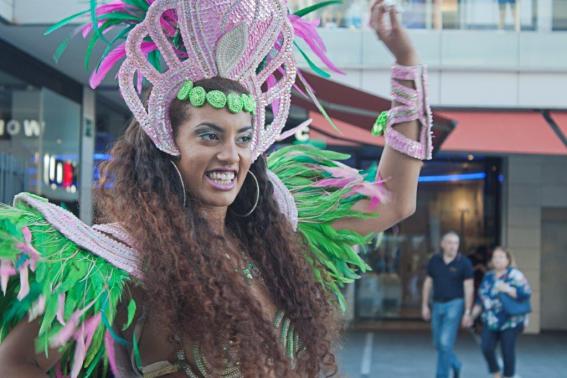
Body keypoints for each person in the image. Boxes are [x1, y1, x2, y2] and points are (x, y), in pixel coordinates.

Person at [0, 0, 433, 376]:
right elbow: (15, 363)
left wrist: (406, 61)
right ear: (169, 143)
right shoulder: (124, 261)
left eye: (243, 138)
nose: (231, 154)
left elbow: (393, 200)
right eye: (210, 135)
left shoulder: (275, 241)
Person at [472, 246, 531, 378]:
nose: (497, 260)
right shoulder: (488, 277)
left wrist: (508, 289)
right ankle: (496, 372)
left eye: (501, 257)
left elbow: (525, 294)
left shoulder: (515, 275)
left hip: (511, 320)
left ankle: (509, 375)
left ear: (508, 260)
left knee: (507, 351)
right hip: (491, 320)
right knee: (486, 347)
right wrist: (471, 315)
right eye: (495, 257)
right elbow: (480, 299)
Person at [422, 231, 474, 378]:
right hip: (437, 304)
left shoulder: (464, 263)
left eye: (456, 243)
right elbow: (428, 283)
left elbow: (469, 288)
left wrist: (468, 311)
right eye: (450, 242)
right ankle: (456, 364)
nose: (453, 246)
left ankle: (441, 375)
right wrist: (424, 305)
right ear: (442, 244)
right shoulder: (434, 260)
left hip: (455, 304)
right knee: (437, 343)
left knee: (445, 343)